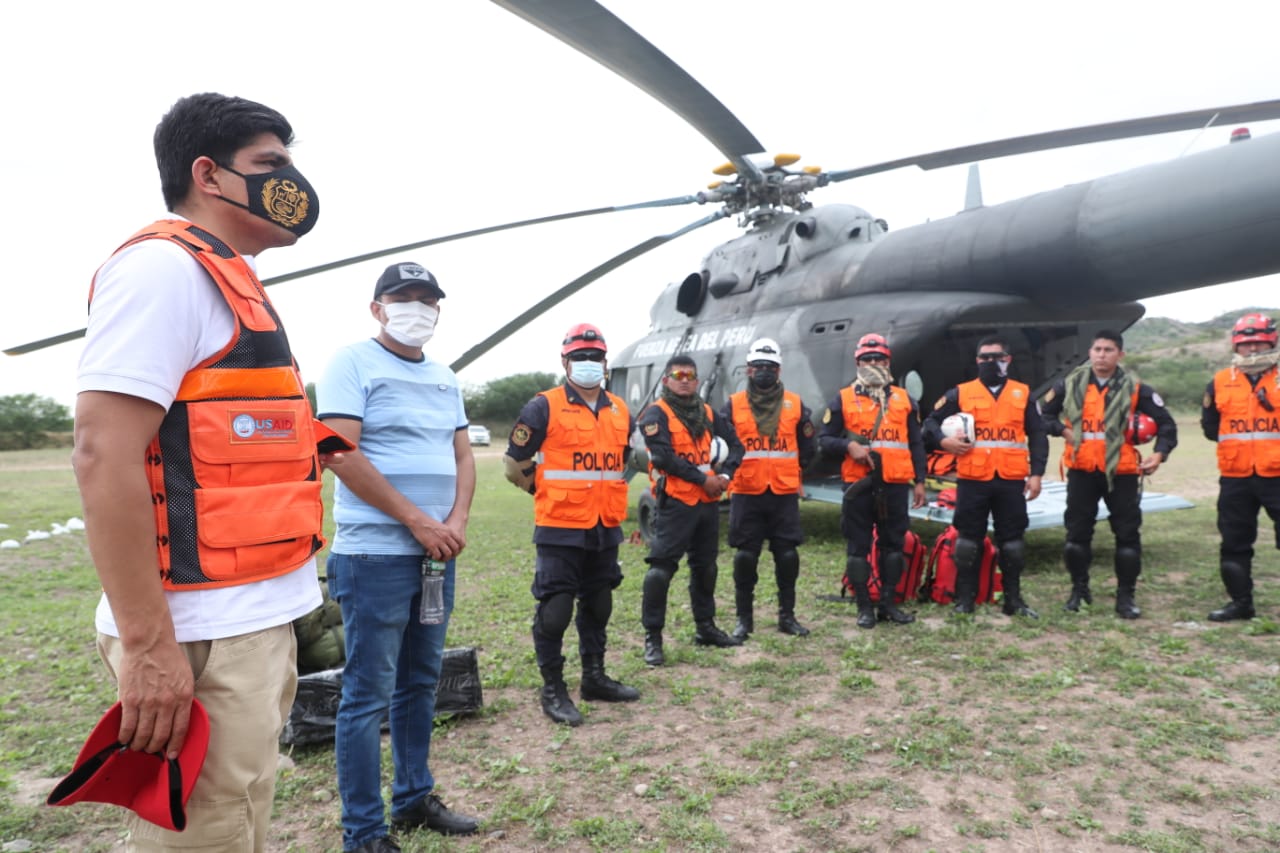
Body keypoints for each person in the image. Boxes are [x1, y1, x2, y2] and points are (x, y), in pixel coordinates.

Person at [72, 93, 327, 851]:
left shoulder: (230, 278)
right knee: (204, 833)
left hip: (250, 621)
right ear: (208, 175)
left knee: (238, 817)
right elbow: (100, 451)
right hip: (198, 635)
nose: (293, 182)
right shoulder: (163, 270)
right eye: (270, 164)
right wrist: (151, 647)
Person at [316, 262, 479, 851]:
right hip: (376, 558)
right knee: (368, 694)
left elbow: (463, 457)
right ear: (377, 308)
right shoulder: (350, 361)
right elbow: (336, 450)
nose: (417, 308)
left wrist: (454, 523)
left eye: (426, 299)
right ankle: (364, 831)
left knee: (420, 681)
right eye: (402, 297)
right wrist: (417, 521)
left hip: (437, 556)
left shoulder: (444, 375)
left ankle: (413, 798)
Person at [503, 323, 641, 726]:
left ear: (605, 361)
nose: (587, 363)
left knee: (599, 603)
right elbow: (514, 465)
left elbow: (627, 458)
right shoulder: (543, 407)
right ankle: (553, 688)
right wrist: (544, 492)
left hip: (605, 522)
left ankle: (595, 678)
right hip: (560, 525)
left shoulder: (619, 409)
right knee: (556, 609)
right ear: (564, 361)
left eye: (594, 356)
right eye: (579, 356)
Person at [1040, 329, 1176, 619]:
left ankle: (1125, 597)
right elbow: (1044, 417)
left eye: (1108, 350)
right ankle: (1079, 591)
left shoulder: (1137, 389)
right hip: (1081, 470)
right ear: (1090, 352)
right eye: (1097, 349)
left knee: (1127, 535)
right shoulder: (1069, 385)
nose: (1102, 355)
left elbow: (1167, 425)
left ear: (1120, 355)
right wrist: (1064, 430)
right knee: (1077, 535)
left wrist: (1158, 454)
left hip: (1123, 472)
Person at [923, 336, 1048, 617]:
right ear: (977, 361)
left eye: (998, 357)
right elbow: (929, 423)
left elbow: (1038, 434)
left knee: (1013, 544)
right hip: (972, 478)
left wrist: (1037, 473)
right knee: (968, 542)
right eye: (985, 358)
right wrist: (944, 444)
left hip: (1010, 479)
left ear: (1008, 360)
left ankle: (1013, 600)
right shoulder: (960, 393)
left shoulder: (1023, 394)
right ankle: (964, 599)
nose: (991, 362)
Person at [639, 354, 746, 665]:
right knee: (660, 571)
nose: (684, 380)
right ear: (666, 380)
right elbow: (662, 458)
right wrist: (703, 479)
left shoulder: (708, 413)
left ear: (697, 381)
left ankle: (705, 627)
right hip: (676, 502)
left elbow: (736, 445)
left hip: (707, 504)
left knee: (705, 568)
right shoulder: (655, 415)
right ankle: (653, 638)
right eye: (678, 374)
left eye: (690, 375)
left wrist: (725, 476)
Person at [818, 333, 927, 628]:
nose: (873, 363)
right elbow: (824, 438)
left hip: (894, 485)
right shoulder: (842, 399)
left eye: (879, 359)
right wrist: (848, 447)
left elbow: (916, 444)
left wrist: (920, 481)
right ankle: (864, 607)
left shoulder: (906, 401)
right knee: (858, 549)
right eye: (867, 359)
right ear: (858, 362)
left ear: (888, 361)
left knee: (894, 547)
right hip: (859, 487)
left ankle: (888, 604)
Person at [719, 338, 818, 640]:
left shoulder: (796, 404)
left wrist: (791, 471)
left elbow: (809, 447)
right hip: (747, 491)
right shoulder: (732, 406)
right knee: (745, 557)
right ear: (748, 370)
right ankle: (743, 620)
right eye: (759, 366)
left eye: (770, 367)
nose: (764, 371)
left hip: (783, 492)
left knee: (787, 555)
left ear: (779, 370)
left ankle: (787, 617)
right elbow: (721, 447)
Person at [1201, 312, 1280, 622]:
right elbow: (1210, 428)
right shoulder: (1220, 381)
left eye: (1259, 343)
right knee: (1234, 541)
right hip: (1236, 477)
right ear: (1236, 346)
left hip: (1277, 475)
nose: (1253, 350)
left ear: (1272, 341)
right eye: (1246, 344)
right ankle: (1240, 603)